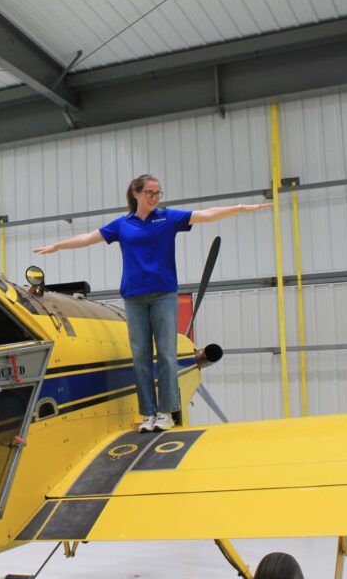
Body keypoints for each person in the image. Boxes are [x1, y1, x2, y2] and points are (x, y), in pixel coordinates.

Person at [33, 174, 270, 433]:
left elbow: (206, 214)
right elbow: (90, 237)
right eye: (149, 192)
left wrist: (240, 209)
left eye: (158, 193)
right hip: (134, 297)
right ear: (136, 193)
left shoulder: (168, 218)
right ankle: (148, 414)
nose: (154, 197)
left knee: (167, 354)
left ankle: (166, 411)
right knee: (141, 357)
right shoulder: (122, 225)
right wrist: (57, 246)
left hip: (163, 296)